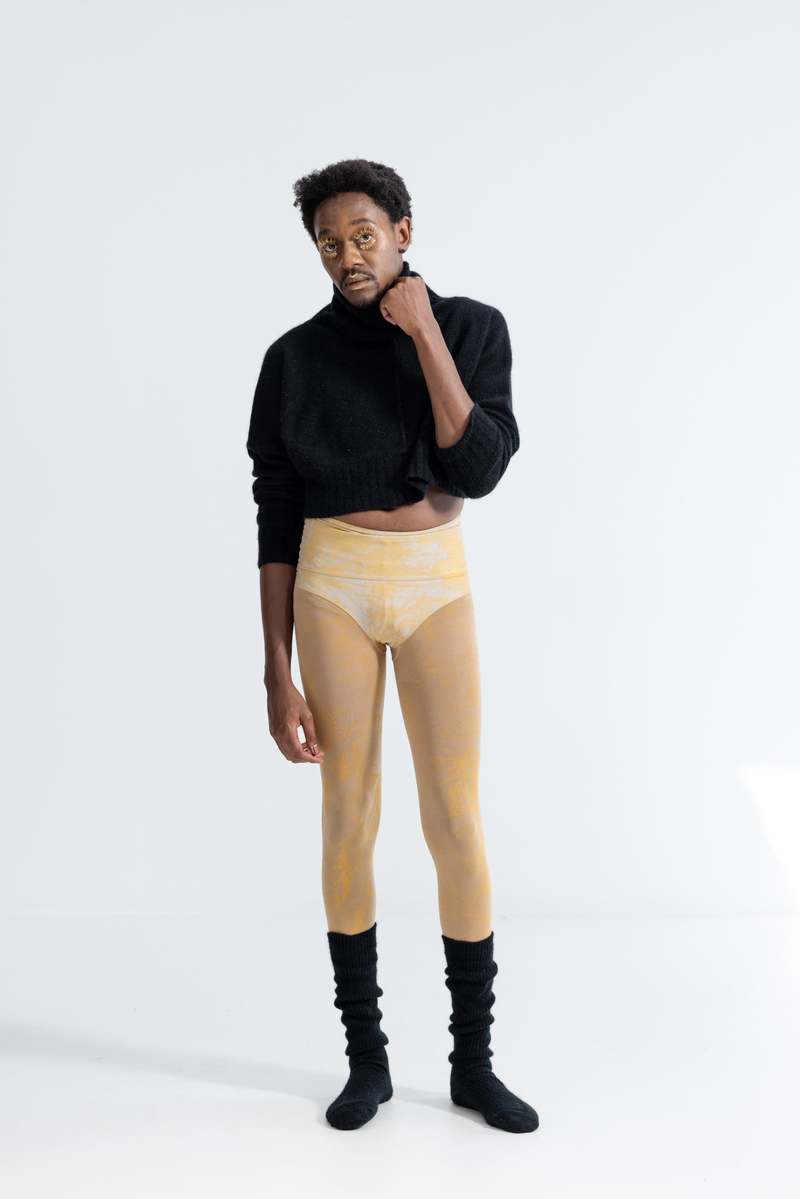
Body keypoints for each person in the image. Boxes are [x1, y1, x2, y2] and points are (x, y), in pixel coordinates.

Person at [245, 158, 539, 1134]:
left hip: (432, 581)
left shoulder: (471, 328)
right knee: (348, 813)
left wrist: (422, 332)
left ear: (403, 231)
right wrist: (275, 667)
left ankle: (472, 1063)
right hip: (331, 580)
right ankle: (365, 1061)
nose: (347, 255)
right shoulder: (293, 359)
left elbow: (478, 468)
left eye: (363, 235)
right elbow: (274, 510)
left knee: (455, 817)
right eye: (329, 242)